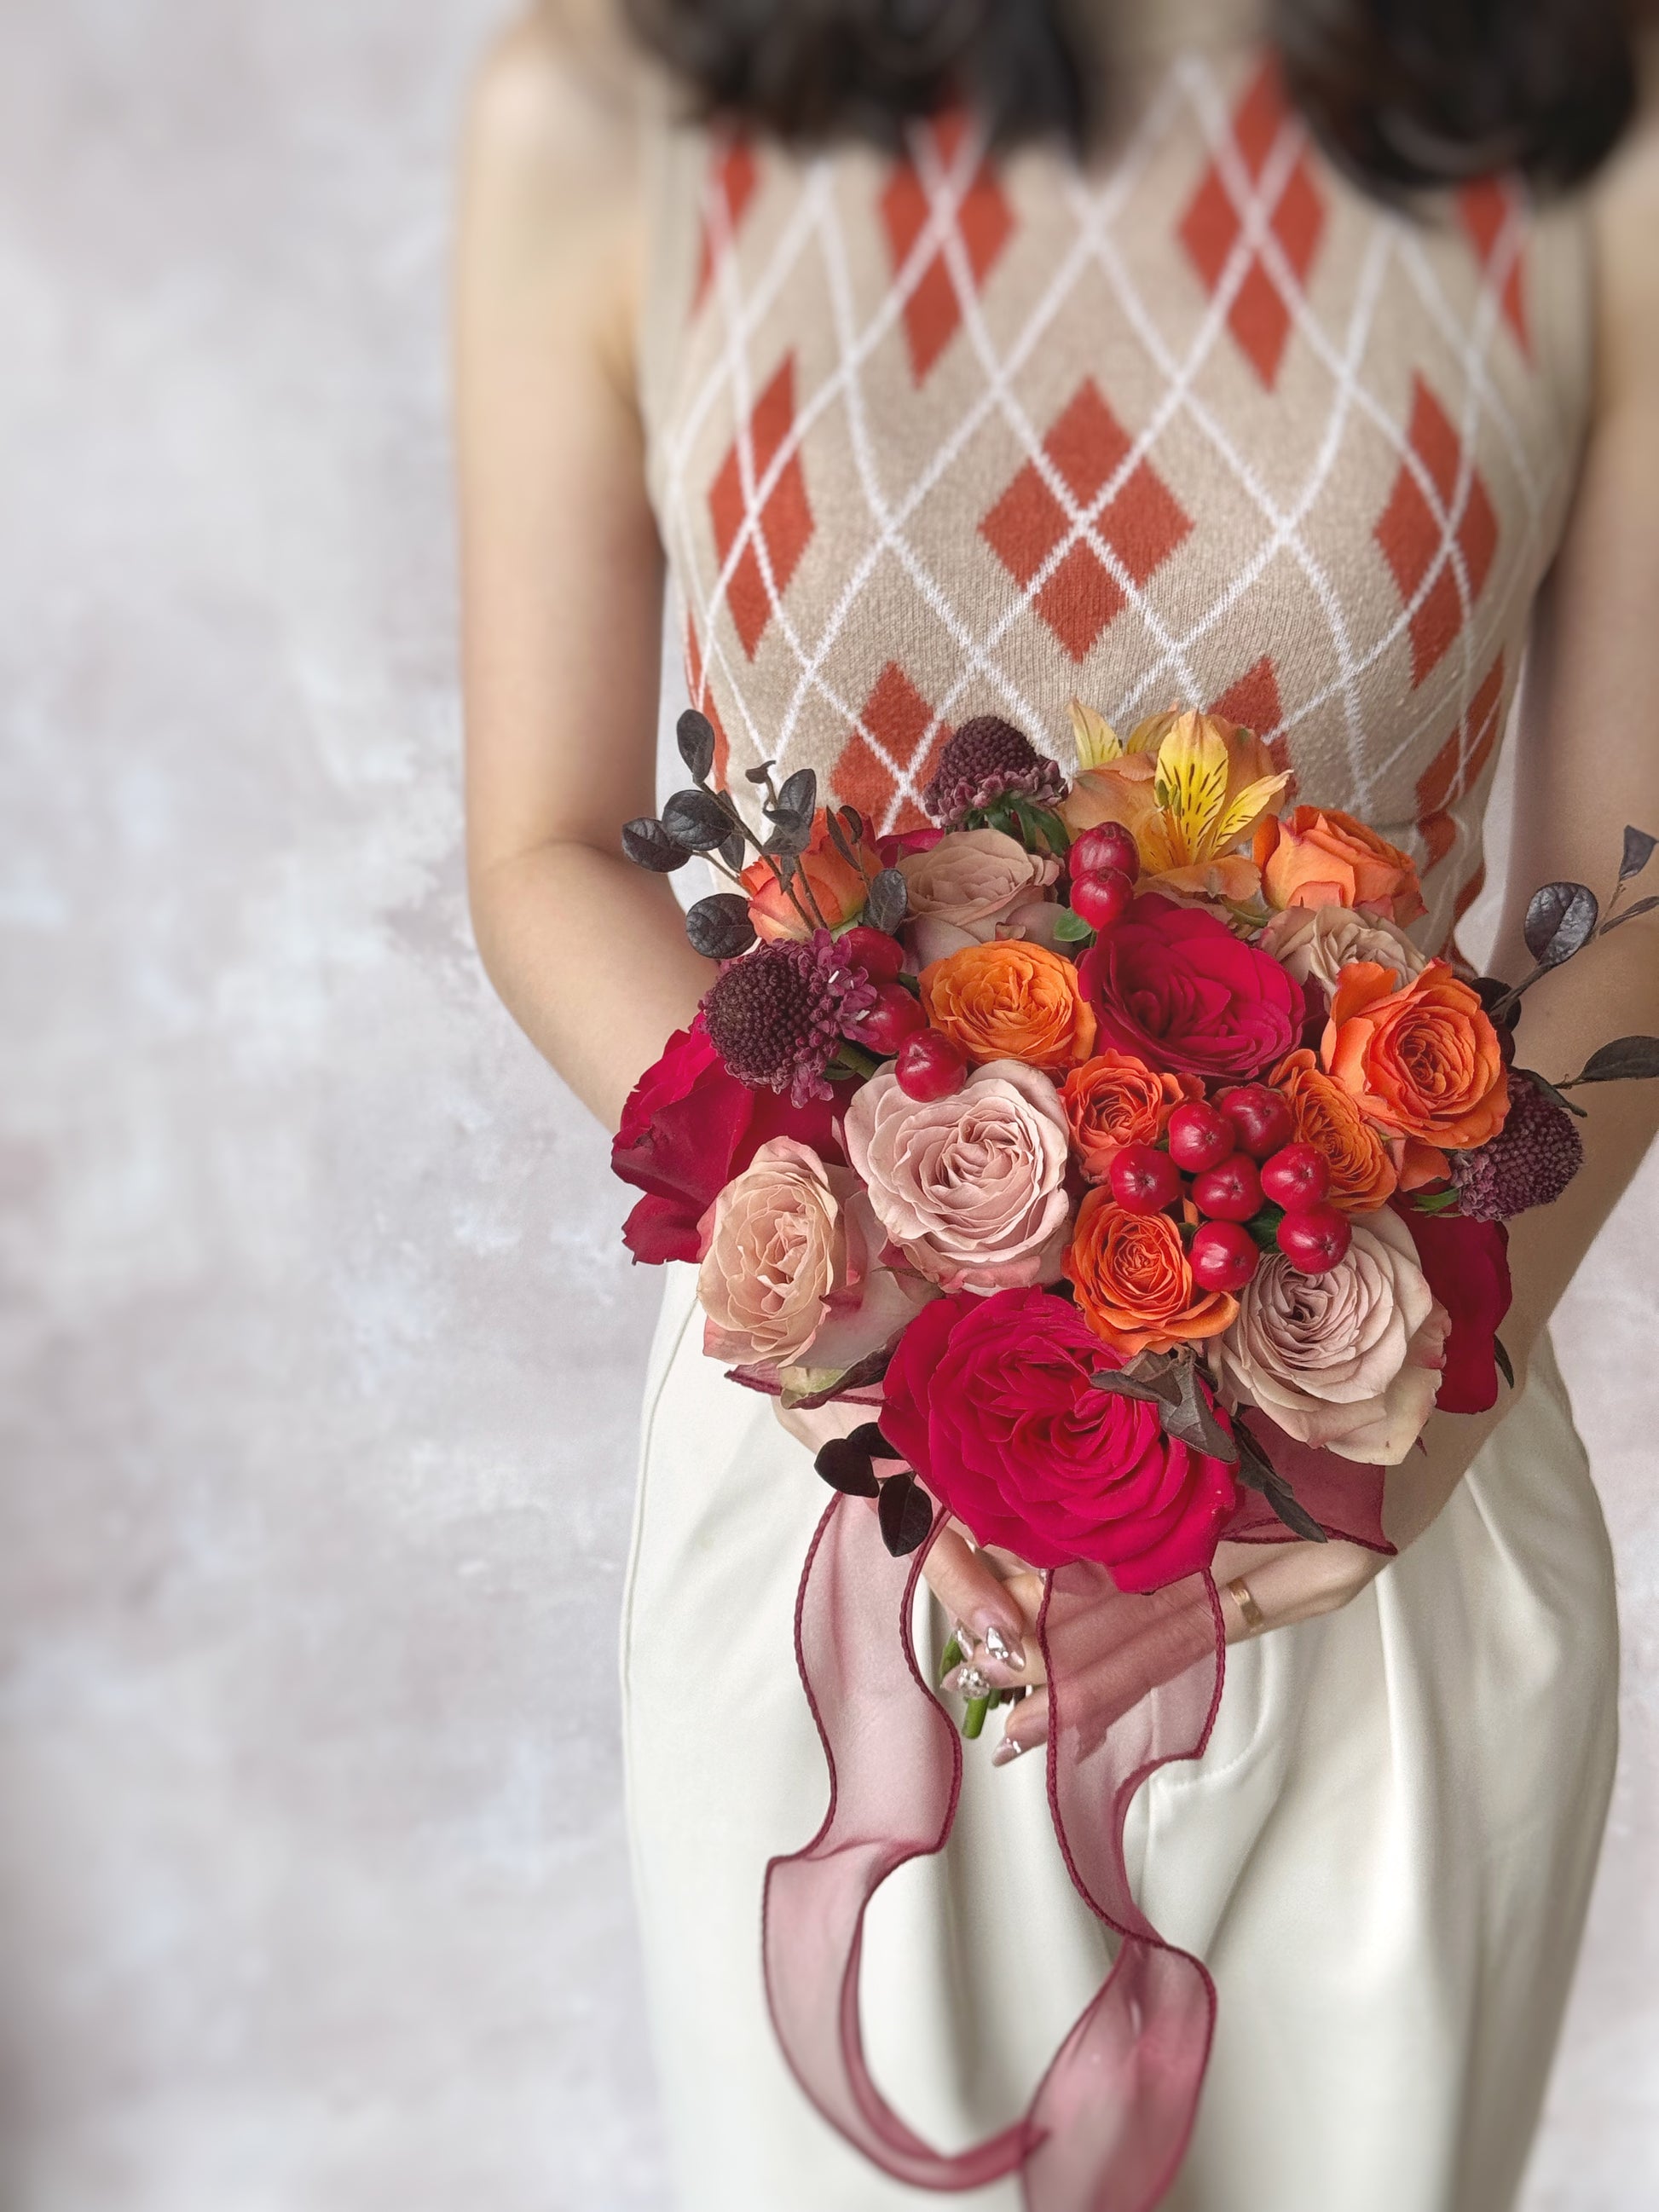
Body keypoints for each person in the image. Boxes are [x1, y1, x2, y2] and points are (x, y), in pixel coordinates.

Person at [455, 2, 1659, 2204]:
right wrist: (901, 1319)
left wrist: (1346, 1448)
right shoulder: (607, 107)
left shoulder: (1603, 124)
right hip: (827, 1523)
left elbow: (1640, 894)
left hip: (1389, 1505)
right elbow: (543, 846)